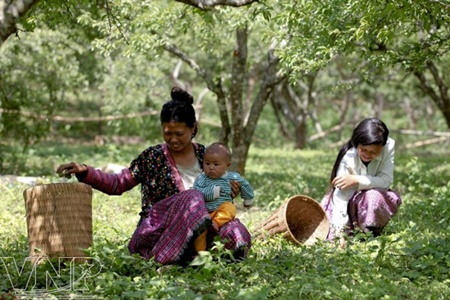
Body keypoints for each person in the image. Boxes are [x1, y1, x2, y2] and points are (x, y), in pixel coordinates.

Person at [56, 87, 252, 265]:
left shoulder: (207, 156)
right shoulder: (152, 157)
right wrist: (85, 171)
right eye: (167, 133)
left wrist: (229, 192)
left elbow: (218, 196)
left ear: (193, 128)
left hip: (203, 230)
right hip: (160, 232)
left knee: (236, 231)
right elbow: (118, 183)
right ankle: (169, 257)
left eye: (179, 133)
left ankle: (203, 258)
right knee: (193, 197)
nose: (173, 139)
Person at [320, 118, 402, 247]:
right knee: (330, 232)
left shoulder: (389, 146)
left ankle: (371, 231)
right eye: (363, 149)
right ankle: (351, 230)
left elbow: (385, 181)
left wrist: (356, 179)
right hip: (349, 202)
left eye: (374, 152)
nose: (367, 155)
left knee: (373, 196)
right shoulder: (348, 157)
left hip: (372, 199)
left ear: (383, 146)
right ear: (356, 143)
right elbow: (341, 197)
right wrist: (339, 233)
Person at [193, 142, 254, 251]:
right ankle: (200, 254)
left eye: (216, 164)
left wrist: (248, 199)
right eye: (207, 163)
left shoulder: (232, 177)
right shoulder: (202, 178)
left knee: (230, 207)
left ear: (227, 165)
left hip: (220, 212)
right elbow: (197, 193)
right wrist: (214, 191)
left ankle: (216, 223)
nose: (211, 167)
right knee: (200, 233)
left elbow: (245, 185)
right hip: (204, 213)